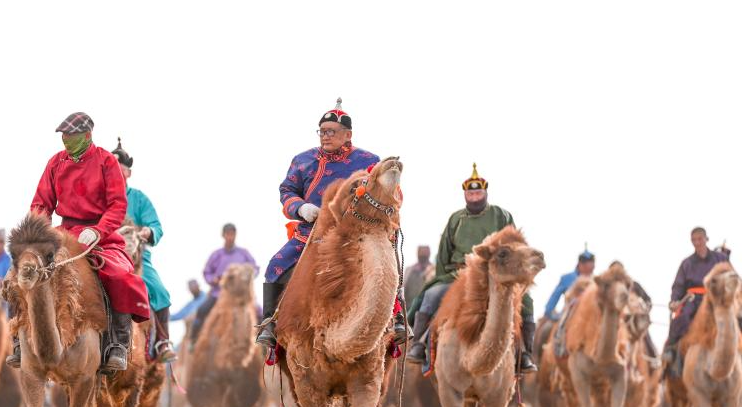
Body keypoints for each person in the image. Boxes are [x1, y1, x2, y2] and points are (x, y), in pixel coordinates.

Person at [10, 111, 150, 373]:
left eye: (71, 135)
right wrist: (39, 234)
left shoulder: (106, 162)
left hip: (102, 235)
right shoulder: (56, 163)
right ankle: (19, 339)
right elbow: (41, 203)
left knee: (119, 275)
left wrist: (98, 230)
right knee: (19, 272)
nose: (66, 140)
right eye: (64, 136)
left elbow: (117, 205)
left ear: (87, 135)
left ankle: (118, 344)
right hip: (64, 234)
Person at [255, 99, 382, 350]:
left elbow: (386, 194)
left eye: (331, 131)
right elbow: (287, 190)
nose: (325, 136)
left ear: (348, 135)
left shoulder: (369, 161)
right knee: (275, 265)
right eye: (322, 131)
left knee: (386, 268)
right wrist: (300, 207)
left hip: (356, 235)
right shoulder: (302, 160)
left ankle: (398, 319)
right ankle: (269, 323)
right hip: (309, 233)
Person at [406, 163, 537, 371]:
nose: (474, 197)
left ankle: (525, 354)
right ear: (465, 195)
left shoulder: (501, 216)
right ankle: (419, 345)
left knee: (527, 301)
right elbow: (444, 253)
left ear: (485, 193)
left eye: (478, 193)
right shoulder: (456, 219)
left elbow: (514, 245)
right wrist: (443, 277)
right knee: (432, 296)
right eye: (471, 193)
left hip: (494, 274)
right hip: (458, 274)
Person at [111, 138, 176, 362]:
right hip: (104, 254)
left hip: (135, 256)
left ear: (128, 173)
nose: (115, 175)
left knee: (160, 292)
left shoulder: (139, 199)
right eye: (111, 170)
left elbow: (157, 227)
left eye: (119, 171)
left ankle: (162, 342)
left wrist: (147, 232)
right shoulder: (99, 198)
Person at [663, 227, 731, 367]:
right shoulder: (686, 263)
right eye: (694, 240)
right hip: (693, 299)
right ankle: (671, 349)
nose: (697, 242)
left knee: (735, 316)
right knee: (682, 317)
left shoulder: (720, 259)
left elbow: (730, 278)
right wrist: (674, 301)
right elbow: (678, 285)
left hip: (715, 299)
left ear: (706, 239)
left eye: (700, 239)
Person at [190, 223, 259, 343]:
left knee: (259, 311)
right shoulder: (216, 255)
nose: (230, 237)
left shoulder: (244, 253)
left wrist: (247, 275)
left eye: (232, 234)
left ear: (235, 235)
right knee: (202, 310)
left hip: (240, 294)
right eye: (228, 234)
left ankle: (265, 343)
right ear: (223, 235)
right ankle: (193, 340)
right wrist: (214, 279)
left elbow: (255, 268)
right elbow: (207, 272)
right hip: (218, 294)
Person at [543, 249, 595, 320]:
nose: (590, 270)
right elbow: (553, 299)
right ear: (580, 265)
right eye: (586, 266)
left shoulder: (595, 282)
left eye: (592, 268)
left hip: (591, 318)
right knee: (545, 329)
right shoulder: (567, 278)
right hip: (567, 316)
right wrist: (552, 315)